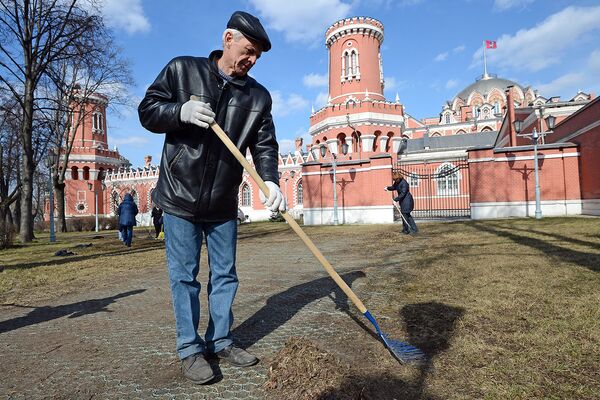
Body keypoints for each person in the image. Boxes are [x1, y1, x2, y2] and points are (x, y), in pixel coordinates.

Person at [138, 11, 284, 385]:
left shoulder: (258, 97)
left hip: (222, 202)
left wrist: (271, 182)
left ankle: (220, 341)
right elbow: (148, 111)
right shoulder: (182, 70)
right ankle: (189, 350)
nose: (250, 60)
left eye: (257, 57)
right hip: (178, 198)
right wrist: (180, 111)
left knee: (225, 276)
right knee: (184, 277)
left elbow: (264, 145)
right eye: (248, 51)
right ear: (228, 39)